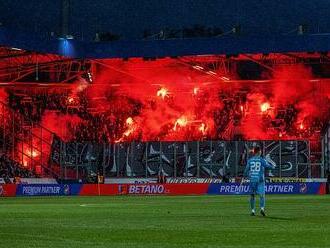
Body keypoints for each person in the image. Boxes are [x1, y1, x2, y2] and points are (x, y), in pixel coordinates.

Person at [243, 146, 275, 216]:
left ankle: (253, 211)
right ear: (259, 152)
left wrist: (244, 177)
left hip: (252, 179)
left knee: (252, 195)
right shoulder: (261, 160)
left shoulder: (250, 160)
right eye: (260, 151)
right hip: (260, 180)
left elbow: (246, 170)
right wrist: (273, 167)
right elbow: (267, 166)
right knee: (262, 195)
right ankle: (262, 209)